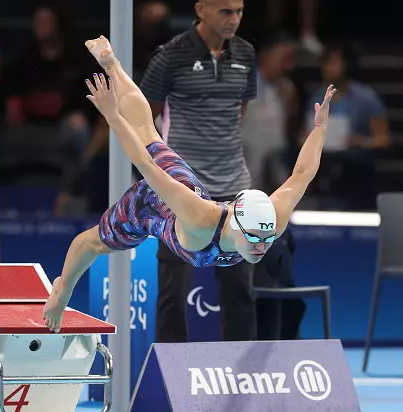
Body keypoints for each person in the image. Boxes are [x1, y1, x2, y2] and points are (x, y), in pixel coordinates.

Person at [42, 36, 336, 333]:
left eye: (267, 238)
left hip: (182, 193)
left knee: (150, 135)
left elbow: (303, 173)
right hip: (154, 206)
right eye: (256, 238)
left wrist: (321, 128)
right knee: (93, 240)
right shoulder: (200, 217)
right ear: (236, 223)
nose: (262, 246)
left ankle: (113, 66)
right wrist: (112, 115)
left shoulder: (271, 220)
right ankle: (62, 289)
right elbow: (144, 163)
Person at [138, 0, 260, 344]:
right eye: (225, 11)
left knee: (239, 291)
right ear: (201, 9)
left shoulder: (246, 54)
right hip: (183, 191)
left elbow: (239, 111)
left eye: (238, 11)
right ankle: (168, 378)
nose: (233, 19)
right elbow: (144, 116)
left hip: (235, 188)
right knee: (173, 293)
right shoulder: (170, 55)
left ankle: (242, 377)